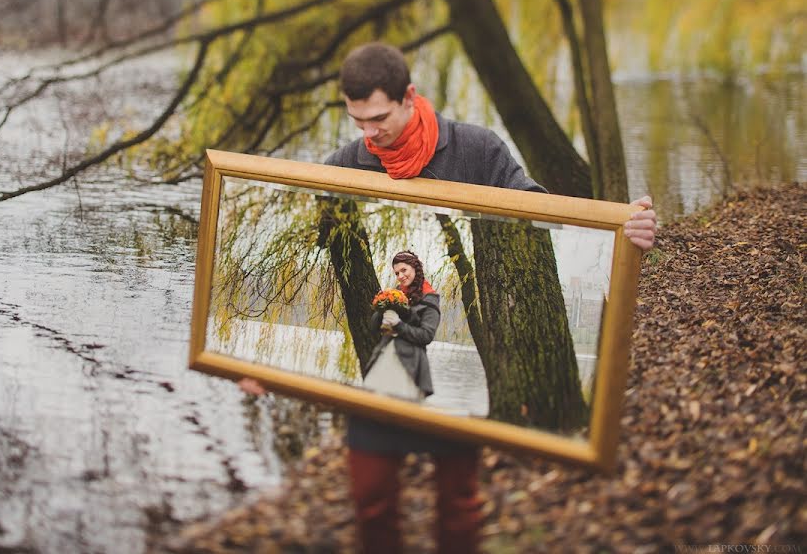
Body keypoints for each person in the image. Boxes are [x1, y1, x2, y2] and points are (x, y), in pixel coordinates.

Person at [243, 42, 658, 553]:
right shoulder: (342, 167)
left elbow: (540, 213)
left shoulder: (476, 150)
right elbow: (315, 257)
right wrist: (254, 361)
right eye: (357, 122)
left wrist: (620, 225)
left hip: (446, 395)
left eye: (378, 119)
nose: (369, 135)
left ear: (409, 97)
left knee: (458, 509)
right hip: (377, 380)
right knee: (372, 503)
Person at [362, 251, 438, 403]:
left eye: (404, 270)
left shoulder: (430, 298)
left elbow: (426, 336)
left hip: (410, 362)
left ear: (415, 268)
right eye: (397, 273)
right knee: (371, 403)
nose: (400, 276)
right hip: (384, 355)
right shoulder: (396, 294)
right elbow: (374, 327)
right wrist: (383, 306)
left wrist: (398, 325)